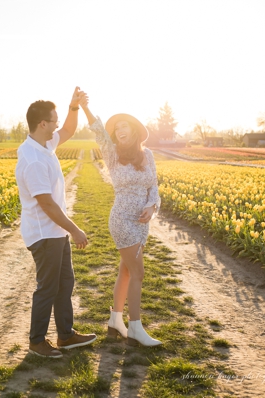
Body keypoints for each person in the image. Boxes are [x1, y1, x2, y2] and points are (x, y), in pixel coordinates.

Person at [15, 87, 97, 358]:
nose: (57, 125)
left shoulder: (44, 144)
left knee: (65, 283)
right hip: (44, 233)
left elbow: (69, 131)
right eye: (54, 121)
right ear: (42, 124)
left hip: (55, 232)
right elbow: (47, 204)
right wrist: (74, 229)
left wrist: (74, 107)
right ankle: (37, 342)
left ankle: (65, 335)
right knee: (48, 287)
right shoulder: (33, 160)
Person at [77, 92, 163, 346]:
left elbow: (154, 188)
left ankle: (116, 321)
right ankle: (135, 328)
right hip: (122, 220)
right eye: (117, 127)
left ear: (134, 130)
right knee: (138, 273)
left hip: (141, 223)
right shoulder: (112, 153)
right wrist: (85, 107)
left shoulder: (148, 156)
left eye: (125, 125)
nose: (120, 130)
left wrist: (152, 207)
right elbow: (99, 131)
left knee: (126, 272)